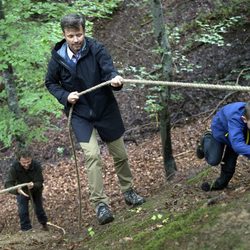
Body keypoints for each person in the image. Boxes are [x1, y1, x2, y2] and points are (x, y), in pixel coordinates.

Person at [45, 13, 145, 225]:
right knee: (92, 155)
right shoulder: (57, 58)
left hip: (105, 109)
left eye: (79, 34)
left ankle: (129, 192)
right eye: (71, 36)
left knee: (120, 154)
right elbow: (51, 83)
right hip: (80, 114)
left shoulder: (96, 48)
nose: (76, 40)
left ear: (84, 32)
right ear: (64, 35)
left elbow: (109, 70)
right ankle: (101, 205)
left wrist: (114, 80)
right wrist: (65, 96)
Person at [196, 101, 250, 191]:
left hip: (239, 135)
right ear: (244, 119)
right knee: (213, 160)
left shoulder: (247, 117)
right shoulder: (235, 118)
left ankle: (219, 185)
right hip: (221, 131)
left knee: (230, 164)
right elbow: (238, 146)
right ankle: (206, 139)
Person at [4, 148, 48, 231]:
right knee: (22, 211)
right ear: (19, 160)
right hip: (21, 191)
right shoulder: (14, 168)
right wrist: (16, 190)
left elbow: (40, 181)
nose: (26, 164)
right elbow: (8, 184)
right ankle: (26, 230)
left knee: (39, 209)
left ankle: (44, 224)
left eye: (28, 162)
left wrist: (34, 185)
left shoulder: (36, 165)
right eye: (24, 162)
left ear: (31, 159)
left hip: (35, 190)